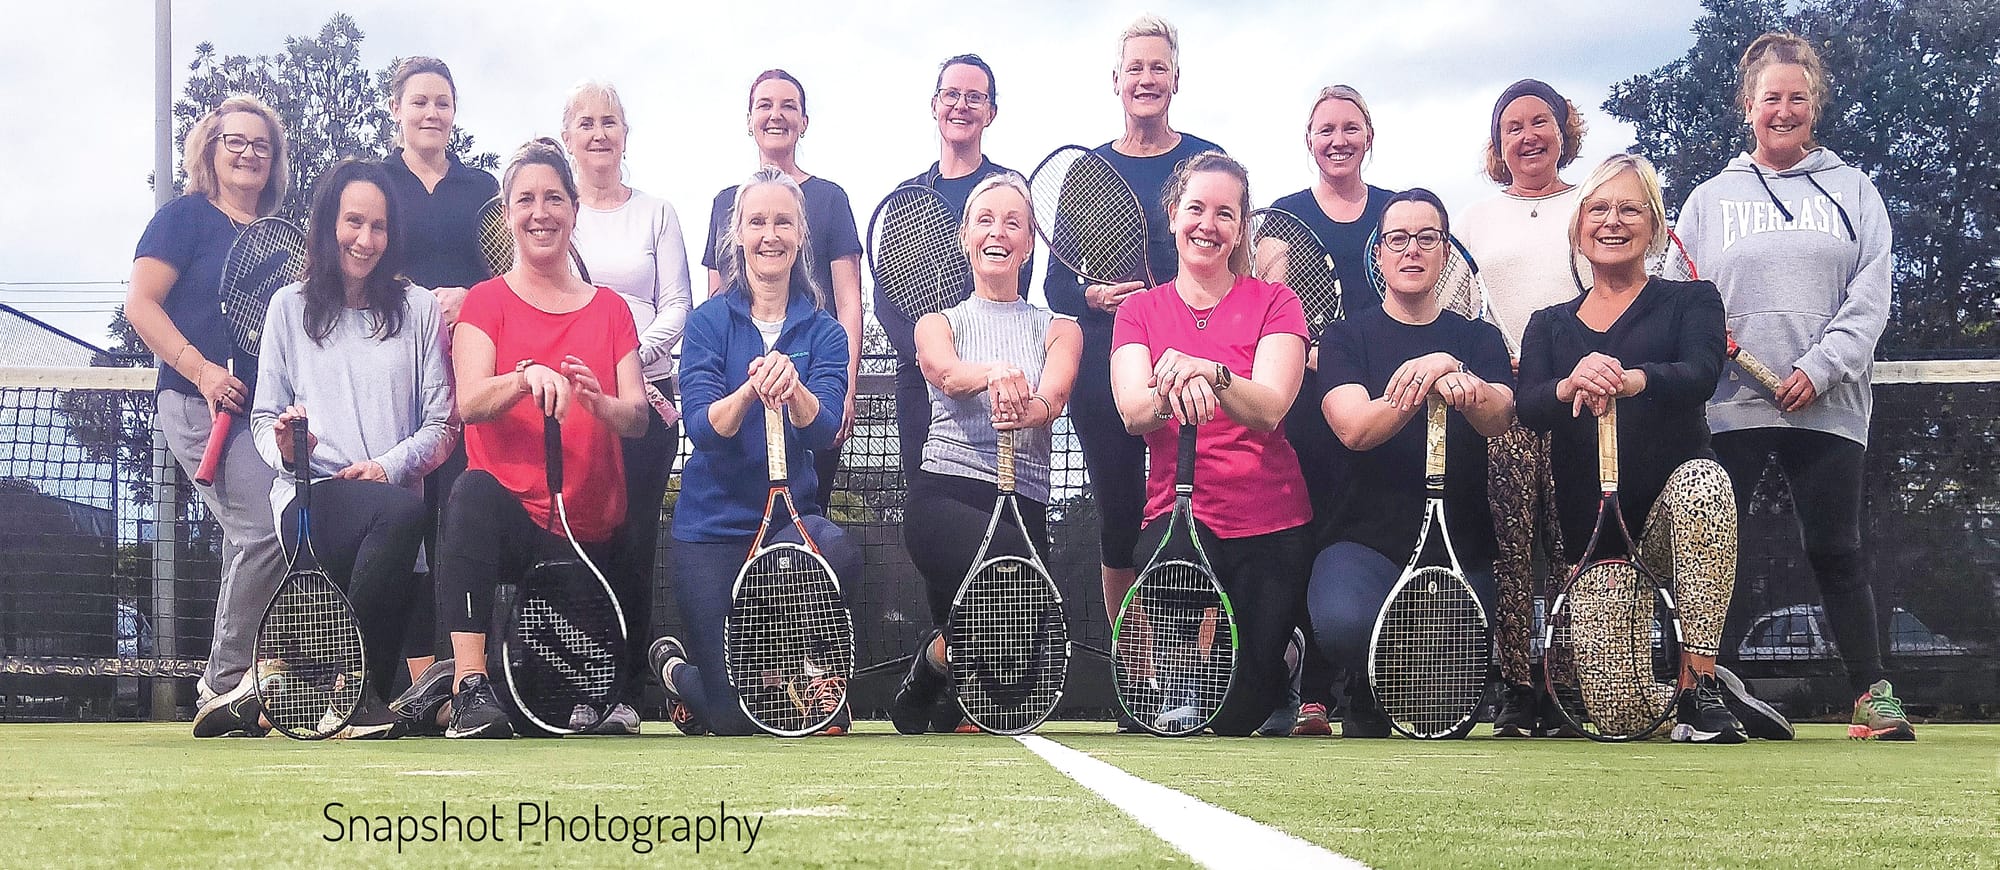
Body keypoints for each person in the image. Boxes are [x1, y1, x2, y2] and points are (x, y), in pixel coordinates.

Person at [1677, 32, 1902, 740]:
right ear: (1748, 106)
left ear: (1815, 105)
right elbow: (1683, 298)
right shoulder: (1709, 201)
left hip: (1829, 404)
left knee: (1837, 548)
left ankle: (1872, 696)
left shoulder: (1854, 191)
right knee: (1715, 551)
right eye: (1770, 98)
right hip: (1730, 407)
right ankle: (1701, 691)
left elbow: (1871, 296)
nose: (1783, 110)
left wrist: (1819, 368)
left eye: (1796, 98)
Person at [1518, 154, 1757, 744]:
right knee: (1623, 718)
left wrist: (1631, 379)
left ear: (1653, 226)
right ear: (1578, 228)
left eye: (1629, 209)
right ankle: (1693, 711)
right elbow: (1529, 406)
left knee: (1705, 486)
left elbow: (1700, 372)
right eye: (1598, 209)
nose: (1612, 221)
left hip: (1673, 516)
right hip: (1596, 538)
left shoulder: (1693, 300)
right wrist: (1572, 383)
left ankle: (1699, 686)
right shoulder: (1548, 324)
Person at [1043, 16, 1224, 730]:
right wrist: (1092, 297)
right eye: (1134, 68)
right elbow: (1057, 288)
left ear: (1175, 78)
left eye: (1158, 67)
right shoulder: (1088, 171)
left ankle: (1207, 670)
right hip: (1110, 364)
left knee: (1210, 512)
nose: (1146, 80)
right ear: (1115, 81)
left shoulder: (1208, 158)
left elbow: (1231, 253)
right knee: (1120, 514)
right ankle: (1138, 670)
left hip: (1199, 358)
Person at [433, 140, 649, 739]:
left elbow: (636, 416)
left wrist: (598, 401)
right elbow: (470, 401)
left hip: (586, 539)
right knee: (472, 494)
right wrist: (526, 378)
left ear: (574, 211)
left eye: (554, 198)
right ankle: (467, 687)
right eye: (525, 199)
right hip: (514, 526)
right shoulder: (485, 302)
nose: (541, 212)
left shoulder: (611, 310)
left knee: (560, 713)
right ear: (507, 214)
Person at [651, 167, 861, 737]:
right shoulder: (705, 323)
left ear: (800, 238)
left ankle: (785, 670)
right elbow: (702, 427)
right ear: (737, 234)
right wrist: (749, 389)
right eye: (758, 222)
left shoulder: (826, 333)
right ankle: (681, 673)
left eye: (783, 222)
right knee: (730, 717)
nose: (770, 234)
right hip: (712, 528)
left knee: (838, 551)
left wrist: (794, 390)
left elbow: (823, 435)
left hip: (786, 527)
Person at [249, 159, 455, 740]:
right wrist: (289, 450)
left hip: (391, 521)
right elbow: (264, 421)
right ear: (327, 225)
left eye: (379, 227)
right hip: (311, 505)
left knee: (402, 512)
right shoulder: (287, 308)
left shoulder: (417, 310)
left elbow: (442, 426)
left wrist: (386, 467)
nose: (366, 240)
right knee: (407, 510)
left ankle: (300, 685)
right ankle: (332, 686)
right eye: (353, 223)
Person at [1108, 152, 1310, 736]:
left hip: (1272, 522)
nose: (1208, 224)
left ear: (1242, 228)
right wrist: (1176, 391)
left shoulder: (1276, 302)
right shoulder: (1141, 311)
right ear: (1173, 215)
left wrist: (1211, 374)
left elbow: (1270, 407)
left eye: (1226, 213)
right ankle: (1180, 673)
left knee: (1236, 717)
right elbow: (1133, 411)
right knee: (1172, 590)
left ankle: (1283, 659)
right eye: (1195, 208)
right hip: (1180, 520)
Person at [1310, 189, 1514, 738]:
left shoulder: (1480, 338)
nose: (1412, 250)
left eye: (1427, 239)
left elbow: (1499, 415)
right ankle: (1368, 682)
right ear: (1379, 253)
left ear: (1444, 253)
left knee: (1451, 695)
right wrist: (1427, 378)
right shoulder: (1345, 337)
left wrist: (1457, 370)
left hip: (1459, 547)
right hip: (1365, 541)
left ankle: (1405, 680)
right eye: (1398, 239)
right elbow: (1354, 428)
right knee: (1345, 624)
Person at [888, 174, 1081, 734]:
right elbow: (944, 373)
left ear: (1030, 242)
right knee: (1000, 582)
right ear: (964, 235)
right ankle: (955, 665)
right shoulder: (937, 323)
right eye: (985, 220)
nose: (998, 232)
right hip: (943, 499)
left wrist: (1032, 407)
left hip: (1024, 505)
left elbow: (1055, 393)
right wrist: (995, 373)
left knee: (1010, 693)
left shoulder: (1060, 328)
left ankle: (935, 665)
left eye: (1013, 222)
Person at [124, 95, 292, 737]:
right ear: (210, 150)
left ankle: (255, 680)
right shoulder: (184, 219)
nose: (250, 153)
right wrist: (203, 372)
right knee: (263, 532)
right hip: (198, 405)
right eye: (236, 142)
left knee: (263, 537)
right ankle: (223, 684)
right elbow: (141, 304)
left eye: (262, 145)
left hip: (264, 415)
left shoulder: (279, 236)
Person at [1454, 78, 1589, 737]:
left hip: (1576, 404)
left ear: (1565, 131)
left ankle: (1568, 686)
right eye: (1514, 126)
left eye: (1541, 122)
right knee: (1510, 550)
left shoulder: (1595, 204)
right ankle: (1515, 687)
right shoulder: (1476, 219)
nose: (1528, 135)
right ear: (1498, 142)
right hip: (1506, 407)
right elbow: (1455, 308)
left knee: (1573, 544)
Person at [560, 80, 695, 735]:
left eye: (609, 121)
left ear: (624, 134)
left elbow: (677, 306)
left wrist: (629, 362)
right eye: (585, 123)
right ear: (568, 138)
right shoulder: (558, 214)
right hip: (578, 404)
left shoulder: (658, 213)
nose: (598, 133)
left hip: (650, 401)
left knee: (636, 539)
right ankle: (583, 686)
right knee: (587, 538)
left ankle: (625, 693)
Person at [1263, 84, 1396, 736]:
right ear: (1309, 141)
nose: (1338, 139)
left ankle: (1375, 686)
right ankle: (1313, 691)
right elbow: (1269, 303)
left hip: (1389, 406)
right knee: (1314, 533)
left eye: (1350, 127)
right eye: (1325, 130)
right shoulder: (1284, 218)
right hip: (1308, 409)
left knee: (1372, 530)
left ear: (1368, 135)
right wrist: (1303, 352)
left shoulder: (1399, 212)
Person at [379, 57, 499, 717]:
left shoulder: (482, 188)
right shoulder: (374, 183)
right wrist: (415, 300)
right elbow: (352, 263)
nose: (432, 113)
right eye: (419, 101)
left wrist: (468, 297)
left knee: (456, 523)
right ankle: (419, 685)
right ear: (396, 109)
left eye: (443, 103)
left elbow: (506, 275)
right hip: (390, 377)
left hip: (465, 379)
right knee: (402, 528)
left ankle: (466, 679)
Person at [699, 70, 862, 513]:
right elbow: (715, 302)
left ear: (804, 121)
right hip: (741, 391)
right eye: (765, 105)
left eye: (788, 106)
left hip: (814, 385)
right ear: (749, 120)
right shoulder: (725, 202)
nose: (776, 115)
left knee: (808, 512)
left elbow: (849, 302)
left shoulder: (830, 198)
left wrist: (844, 390)